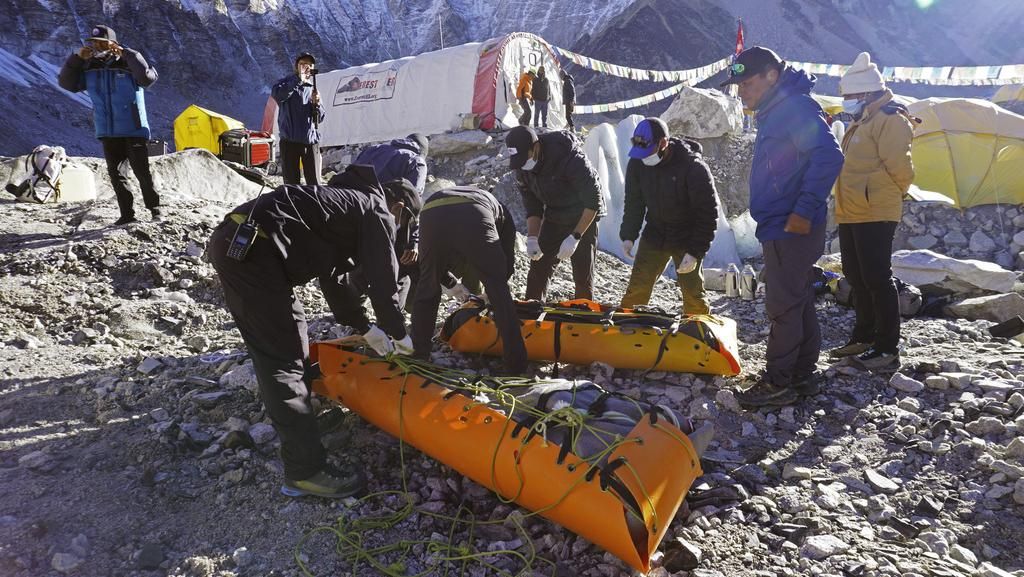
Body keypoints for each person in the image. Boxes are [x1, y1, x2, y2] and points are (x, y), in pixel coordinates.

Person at [208, 164, 414, 499]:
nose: (396, 232)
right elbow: (384, 281)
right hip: (254, 253)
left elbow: (333, 282)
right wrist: (399, 334)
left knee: (294, 338)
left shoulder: (340, 205)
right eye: (400, 223)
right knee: (282, 359)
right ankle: (304, 472)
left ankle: (304, 427)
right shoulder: (374, 209)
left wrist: (365, 327)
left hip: (242, 244)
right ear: (399, 208)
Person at [719, 47, 844, 408]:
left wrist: (804, 209)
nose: (741, 90)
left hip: (791, 223)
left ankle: (778, 382)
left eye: (747, 81)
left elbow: (829, 156)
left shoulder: (793, 108)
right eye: (738, 84)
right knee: (798, 297)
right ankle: (803, 375)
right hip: (784, 220)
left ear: (771, 75)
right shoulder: (777, 110)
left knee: (782, 304)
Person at [829, 52, 915, 371]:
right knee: (856, 276)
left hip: (875, 210)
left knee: (878, 278)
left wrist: (885, 195)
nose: (846, 101)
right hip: (851, 210)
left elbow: (901, 169)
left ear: (864, 93)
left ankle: (887, 348)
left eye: (849, 95)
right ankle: (863, 337)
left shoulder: (890, 119)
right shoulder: (863, 119)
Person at [411, 186, 528, 374]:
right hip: (474, 211)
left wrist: (451, 284)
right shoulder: (503, 213)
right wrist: (492, 292)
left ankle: (418, 354)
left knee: (427, 286)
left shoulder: (479, 200)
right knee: (499, 290)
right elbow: (506, 265)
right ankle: (516, 364)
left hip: (431, 210)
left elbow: (432, 266)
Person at [57, 25, 160, 226]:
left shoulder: (128, 62)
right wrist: (77, 59)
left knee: (142, 173)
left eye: (101, 43)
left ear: (113, 43)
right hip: (108, 130)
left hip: (134, 129)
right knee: (116, 175)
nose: (96, 46)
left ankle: (155, 210)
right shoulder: (89, 67)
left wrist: (128, 54)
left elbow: (147, 79)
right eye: (93, 42)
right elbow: (66, 84)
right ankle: (127, 215)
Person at [619, 118, 718, 315]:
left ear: (663, 143)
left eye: (649, 152)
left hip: (686, 237)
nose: (645, 158)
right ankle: (625, 328)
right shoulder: (637, 164)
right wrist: (628, 235)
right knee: (637, 288)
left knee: (693, 294)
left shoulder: (693, 168)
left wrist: (695, 252)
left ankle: (699, 334)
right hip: (655, 233)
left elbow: (707, 214)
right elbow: (634, 203)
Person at [505, 126, 604, 301]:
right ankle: (531, 312)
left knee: (583, 274)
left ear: (535, 147)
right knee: (538, 268)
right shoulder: (522, 166)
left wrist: (575, 237)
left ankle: (584, 315)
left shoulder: (569, 156)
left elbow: (593, 200)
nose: (523, 164)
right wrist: (533, 238)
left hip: (583, 214)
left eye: (524, 157)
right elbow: (532, 205)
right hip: (555, 213)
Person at [340, 134, 430, 312]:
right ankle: (391, 322)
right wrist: (413, 241)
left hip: (350, 214)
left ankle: (354, 315)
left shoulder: (373, 150)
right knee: (401, 271)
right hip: (382, 218)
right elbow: (411, 202)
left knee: (359, 264)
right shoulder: (416, 161)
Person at [273, 52, 324, 185]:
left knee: (314, 182)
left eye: (309, 66)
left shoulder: (313, 89)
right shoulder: (285, 83)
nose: (306, 68)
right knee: (291, 182)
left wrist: (317, 104)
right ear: (296, 67)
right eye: (303, 65)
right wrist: (298, 80)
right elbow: (278, 95)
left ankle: (314, 204)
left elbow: (320, 117)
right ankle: (292, 205)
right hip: (289, 142)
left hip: (310, 142)